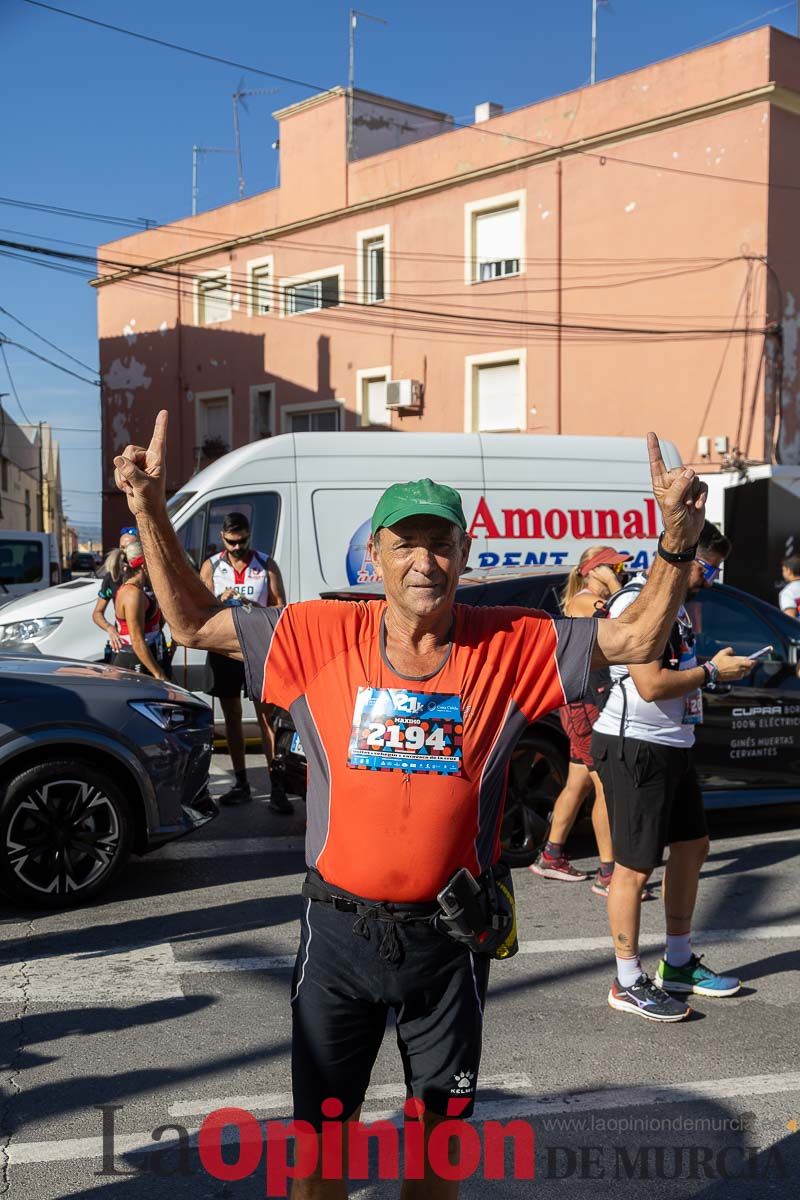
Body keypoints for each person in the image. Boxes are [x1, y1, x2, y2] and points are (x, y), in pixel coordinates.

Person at [114, 411, 708, 1199]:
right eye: (405, 544)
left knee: (437, 1154)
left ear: (464, 553)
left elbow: (634, 640)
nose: (424, 561)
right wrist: (151, 510)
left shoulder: (514, 640)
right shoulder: (317, 631)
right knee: (322, 1152)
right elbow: (189, 621)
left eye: (441, 543)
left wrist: (675, 541)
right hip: (338, 941)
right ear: (376, 555)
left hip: (449, 942)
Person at [591, 522, 755, 1023]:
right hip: (634, 745)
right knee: (635, 866)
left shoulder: (678, 607)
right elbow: (648, 683)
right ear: (684, 559)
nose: (710, 579)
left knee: (693, 845)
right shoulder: (637, 602)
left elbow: (675, 671)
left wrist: (709, 672)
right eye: (708, 568)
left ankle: (679, 963)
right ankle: (626, 979)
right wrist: (710, 673)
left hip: (672, 743)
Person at [532, 545, 630, 895]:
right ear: (593, 571)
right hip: (585, 706)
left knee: (578, 783)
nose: (620, 573)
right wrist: (615, 590)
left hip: (585, 703)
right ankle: (609, 873)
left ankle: (551, 854)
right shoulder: (586, 602)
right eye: (613, 567)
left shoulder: (588, 601)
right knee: (605, 785)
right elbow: (623, 627)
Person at [199, 512, 291, 814]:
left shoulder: (265, 564)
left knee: (267, 719)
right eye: (231, 542)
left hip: (258, 650)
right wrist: (218, 602)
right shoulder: (212, 566)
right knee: (233, 719)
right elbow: (200, 610)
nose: (238, 548)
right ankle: (241, 783)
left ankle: (277, 785)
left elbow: (281, 607)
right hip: (224, 652)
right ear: (223, 538)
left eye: (243, 542)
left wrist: (254, 607)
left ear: (249, 536)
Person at [110, 541, 170, 681]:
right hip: (134, 660)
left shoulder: (138, 591)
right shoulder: (132, 594)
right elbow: (137, 640)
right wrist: (159, 674)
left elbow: (155, 625)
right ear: (144, 566)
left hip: (147, 656)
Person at [92, 526, 139, 656]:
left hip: (150, 642)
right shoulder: (112, 577)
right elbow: (97, 613)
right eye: (121, 547)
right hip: (124, 644)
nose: (124, 553)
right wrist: (110, 629)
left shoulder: (148, 576)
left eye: (128, 548)